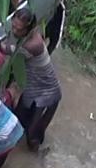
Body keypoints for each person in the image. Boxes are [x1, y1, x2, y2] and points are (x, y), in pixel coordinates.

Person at [6, 8, 63, 151]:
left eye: (18, 29)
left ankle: (36, 155)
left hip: (47, 91)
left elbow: (7, 50)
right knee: (19, 119)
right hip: (32, 86)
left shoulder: (32, 45)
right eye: (13, 26)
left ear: (28, 29)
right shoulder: (33, 34)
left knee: (33, 133)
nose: (14, 31)